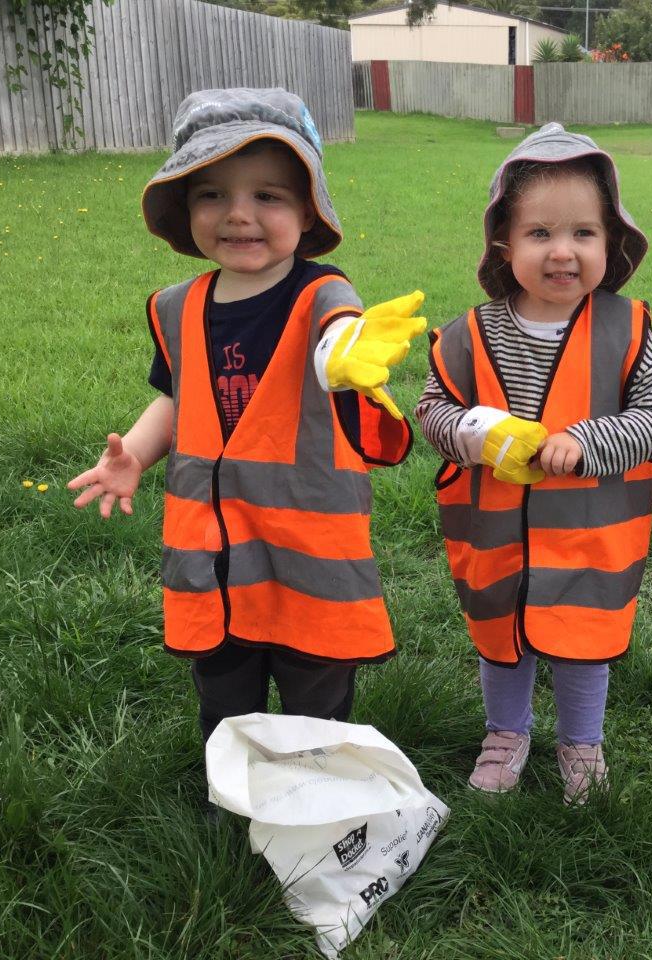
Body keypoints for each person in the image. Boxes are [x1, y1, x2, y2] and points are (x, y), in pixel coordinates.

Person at [67, 88, 426, 747]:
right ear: (185, 208)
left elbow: (336, 341)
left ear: (307, 208)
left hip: (306, 553)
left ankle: (311, 788)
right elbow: (177, 396)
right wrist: (137, 455)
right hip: (217, 552)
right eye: (212, 195)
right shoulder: (178, 308)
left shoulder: (324, 294)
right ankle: (233, 786)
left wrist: (349, 353)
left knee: (313, 692)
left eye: (268, 195)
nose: (239, 215)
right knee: (224, 689)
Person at [416, 124, 652, 804]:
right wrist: (475, 433)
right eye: (540, 234)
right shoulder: (471, 334)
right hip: (495, 536)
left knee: (585, 642)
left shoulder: (628, 329)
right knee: (503, 640)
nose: (562, 252)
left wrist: (590, 442)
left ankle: (580, 741)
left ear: (611, 242)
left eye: (584, 234)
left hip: (592, 538)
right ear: (505, 243)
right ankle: (506, 732)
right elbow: (433, 413)